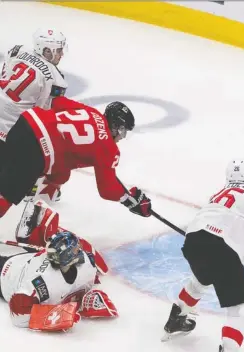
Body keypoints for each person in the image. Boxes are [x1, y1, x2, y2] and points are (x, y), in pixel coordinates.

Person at [0, 95, 152, 242]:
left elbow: (57, 102)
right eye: (122, 131)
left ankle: (37, 201)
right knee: (8, 194)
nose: (122, 137)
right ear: (115, 126)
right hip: (37, 150)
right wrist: (130, 199)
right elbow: (107, 189)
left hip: (26, 123)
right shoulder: (109, 148)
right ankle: (33, 210)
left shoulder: (91, 112)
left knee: (60, 174)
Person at [162, 160, 244, 352]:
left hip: (193, 241)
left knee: (201, 279)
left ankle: (177, 318)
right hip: (222, 247)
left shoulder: (217, 195)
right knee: (240, 309)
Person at [0, 230, 118, 331]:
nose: (80, 250)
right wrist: (53, 315)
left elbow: (89, 279)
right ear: (68, 257)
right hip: (7, 275)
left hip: (23, 261)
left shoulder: (87, 262)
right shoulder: (42, 281)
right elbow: (18, 313)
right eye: (76, 249)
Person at [0, 28, 68, 201]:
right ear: (47, 50)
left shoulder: (17, 50)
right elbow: (41, 116)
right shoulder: (56, 80)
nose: (61, 54)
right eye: (58, 50)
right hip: (9, 131)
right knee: (42, 144)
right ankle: (33, 185)